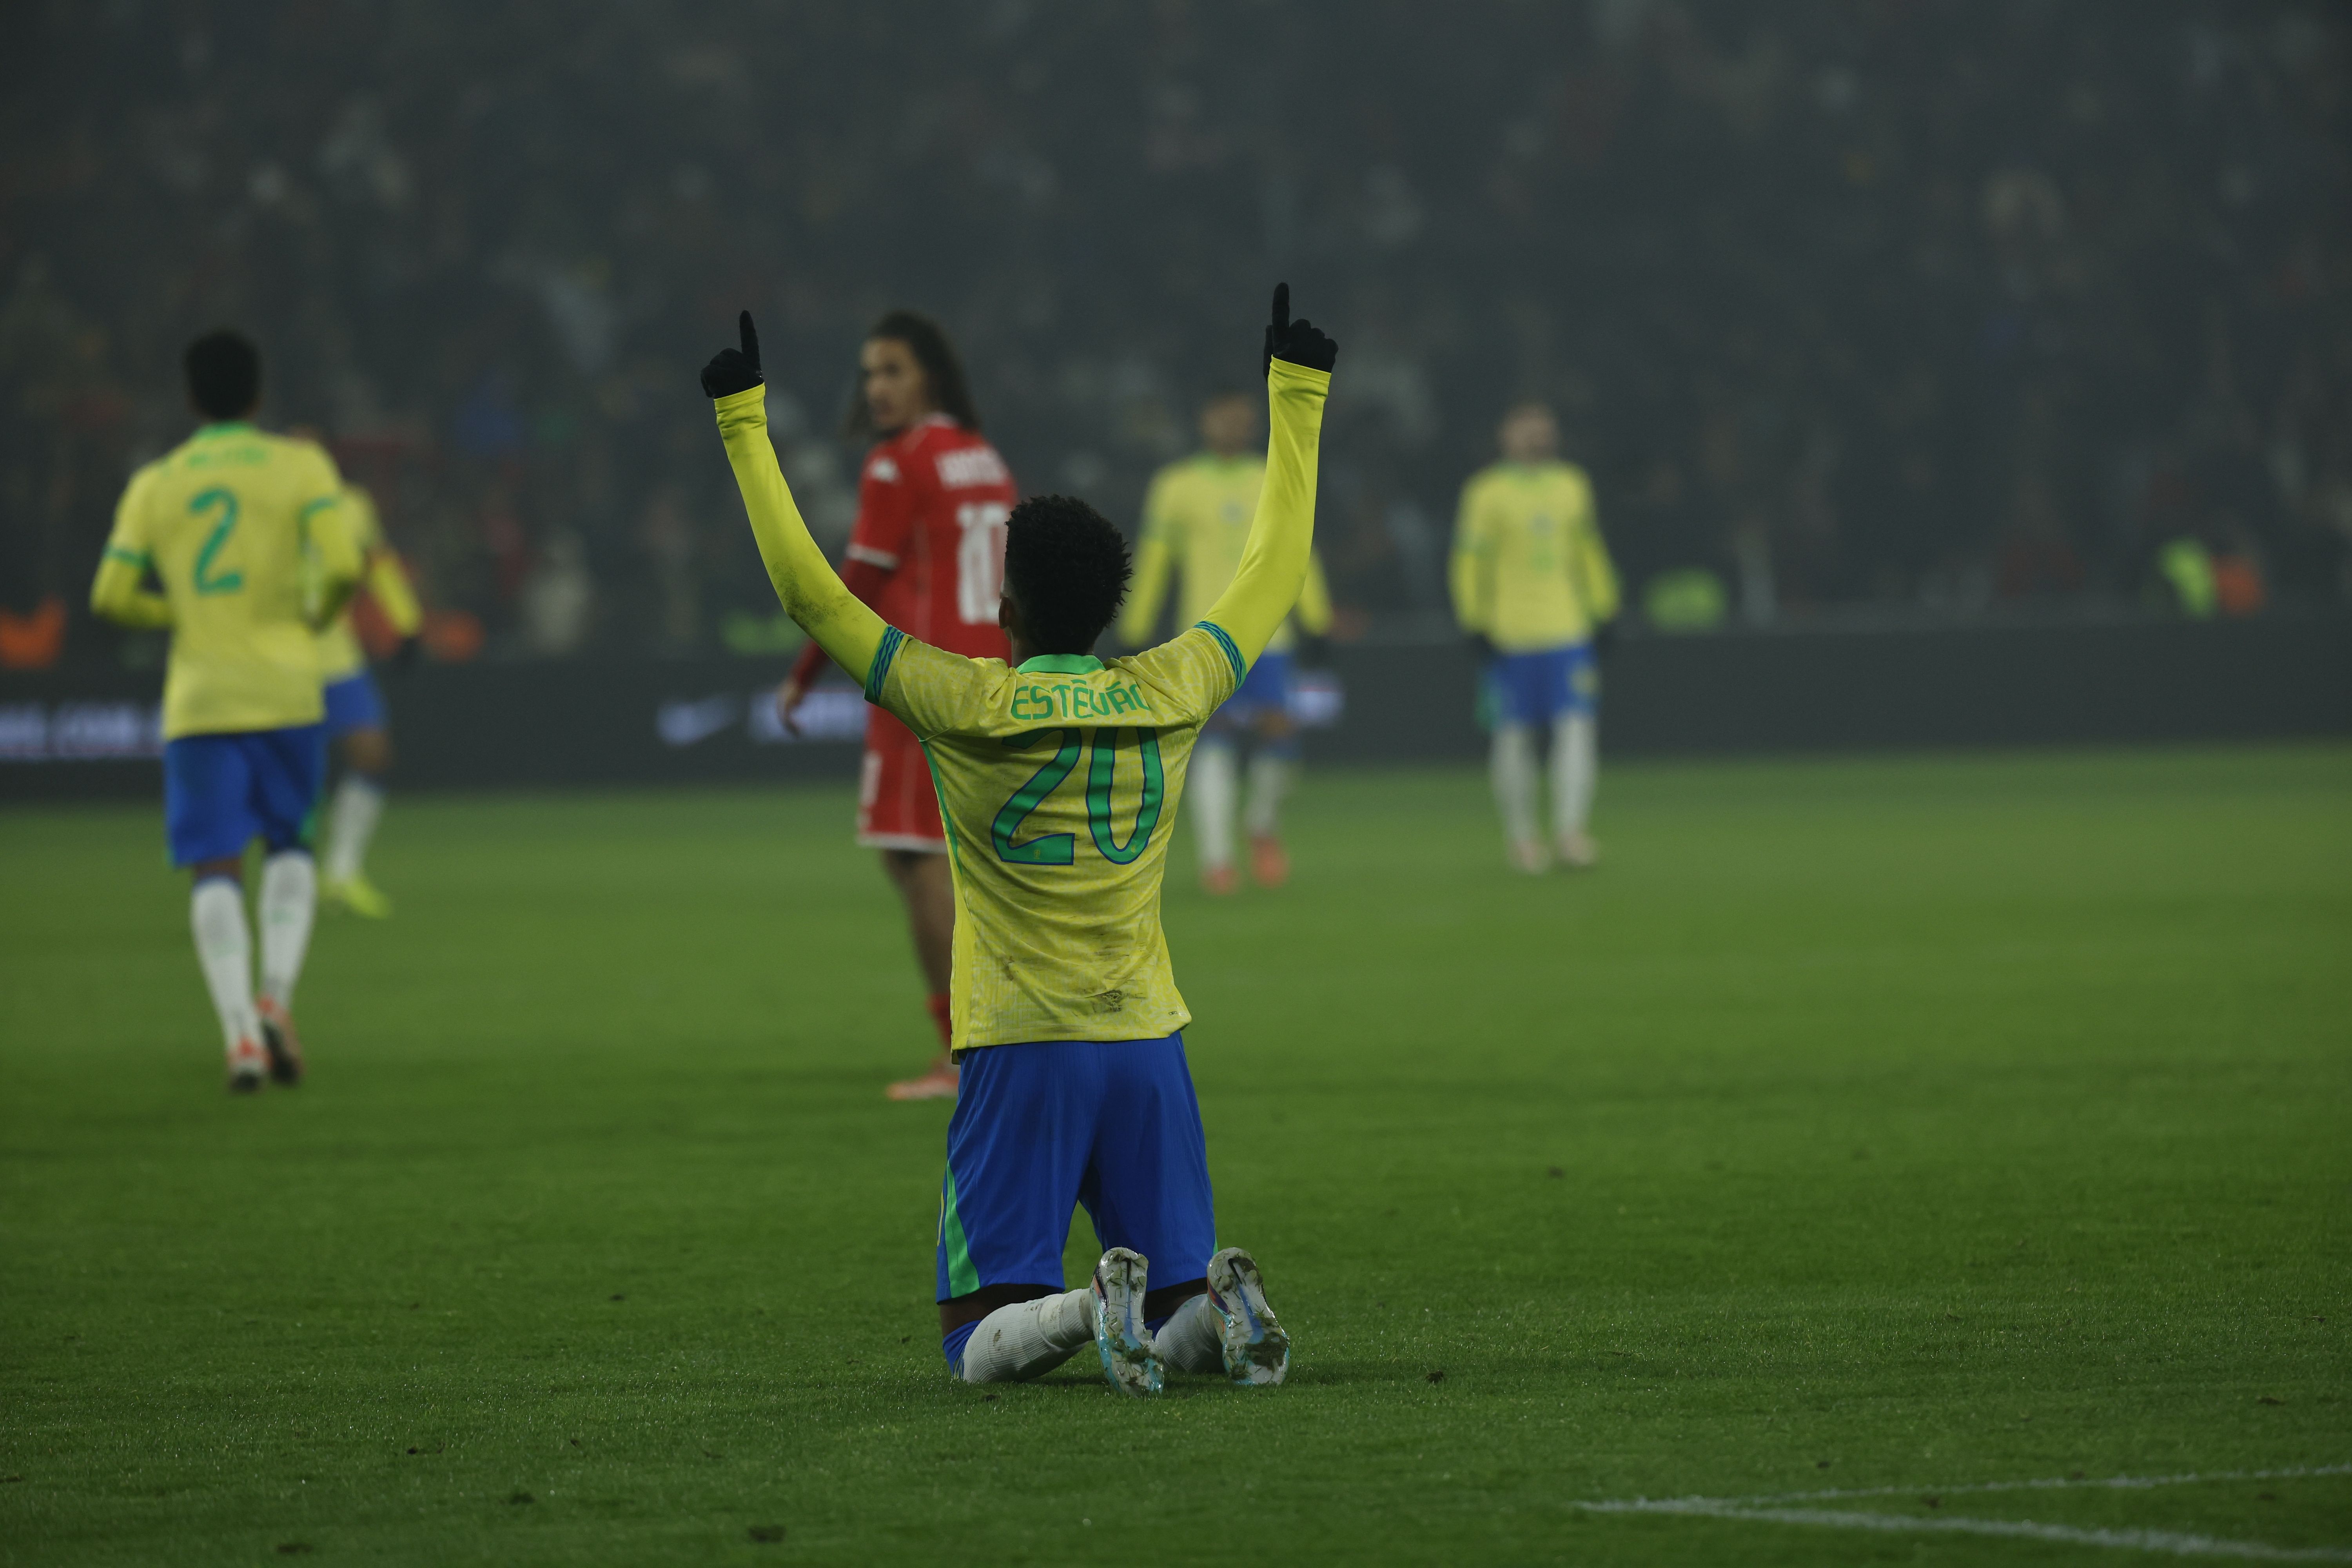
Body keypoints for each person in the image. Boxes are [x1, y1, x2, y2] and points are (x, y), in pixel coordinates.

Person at [702, 285, 1334, 1395]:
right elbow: (1273, 571)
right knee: (1179, 1297)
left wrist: (743, 422)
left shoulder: (966, 702)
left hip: (1019, 1047)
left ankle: (1097, 1305)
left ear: (1008, 604)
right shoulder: (1174, 686)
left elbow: (812, 594)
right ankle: (1215, 1309)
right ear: (1110, 602)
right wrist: (1299, 393)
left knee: (975, 1336)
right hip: (1147, 1042)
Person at [89, 331, 361, 1090]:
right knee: (291, 847)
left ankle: (240, 1033)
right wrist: (312, 612)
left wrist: (178, 615)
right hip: (286, 686)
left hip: (200, 698)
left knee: (214, 865)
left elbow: (109, 595)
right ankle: (277, 994)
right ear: (258, 393)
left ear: (190, 398)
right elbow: (344, 564)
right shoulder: (300, 464)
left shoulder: (157, 481)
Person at [773, 311, 1014, 1102]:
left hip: (926, 686)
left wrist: (804, 675)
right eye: (869, 374)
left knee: (918, 865)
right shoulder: (984, 457)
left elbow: (860, 584)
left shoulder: (897, 464)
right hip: (998, 677)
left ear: (930, 377)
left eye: (893, 372)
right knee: (969, 867)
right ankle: (1004, 1034)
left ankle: (963, 1056)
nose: (876, 388)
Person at [1119, 391, 1334, 893]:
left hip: (1270, 637)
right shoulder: (1176, 485)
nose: (1233, 426)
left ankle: (1261, 824)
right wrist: (1136, 625)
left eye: (1242, 419)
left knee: (1281, 743)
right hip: (1205, 640)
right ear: (1204, 421)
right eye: (1223, 417)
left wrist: (1317, 618)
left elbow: (1300, 550)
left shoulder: (1273, 477)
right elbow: (1154, 559)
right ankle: (1218, 859)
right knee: (1210, 745)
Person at [1450, 401, 1620, 872]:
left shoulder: (1572, 485)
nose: (1537, 439)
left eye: (1544, 431)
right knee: (1512, 738)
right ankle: (1523, 838)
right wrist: (1474, 621)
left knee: (1577, 730)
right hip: (1510, 633)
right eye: (1527, 431)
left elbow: (1589, 551)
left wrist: (1604, 609)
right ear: (1505, 436)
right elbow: (1470, 562)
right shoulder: (1486, 492)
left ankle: (1571, 833)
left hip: (1568, 630)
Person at [289, 436, 423, 919]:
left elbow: (378, 564)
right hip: (278, 661)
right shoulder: (263, 510)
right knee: (292, 777)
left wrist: (405, 624)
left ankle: (342, 873)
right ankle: (288, 880)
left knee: (372, 754)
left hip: (337, 658)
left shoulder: (351, 506)